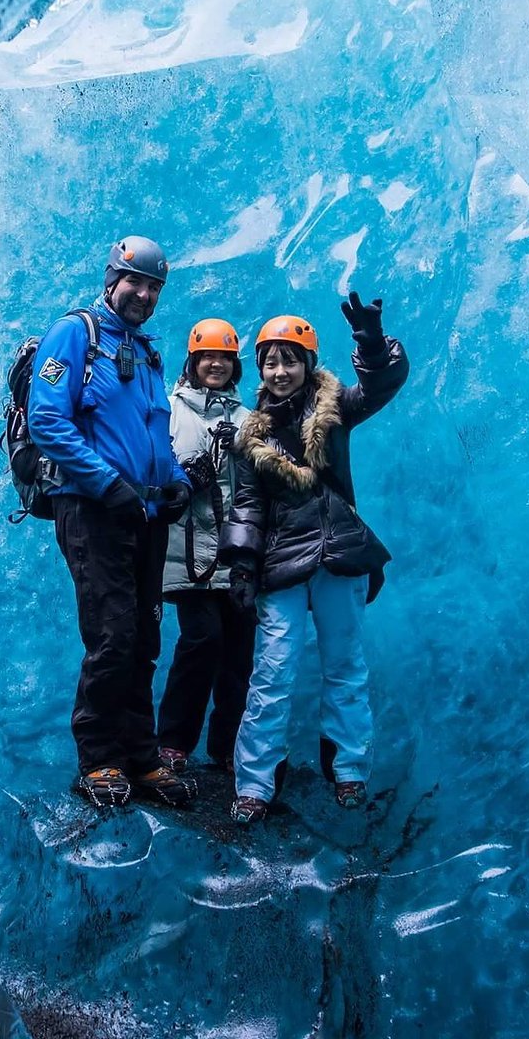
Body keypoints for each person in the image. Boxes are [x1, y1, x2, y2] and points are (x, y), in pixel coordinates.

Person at [219, 293, 408, 824]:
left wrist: (371, 341)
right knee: (273, 673)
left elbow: (381, 384)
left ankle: (349, 773)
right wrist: (241, 566)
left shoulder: (335, 410)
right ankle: (254, 785)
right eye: (271, 361)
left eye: (290, 359)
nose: (280, 370)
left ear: (308, 363)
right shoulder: (251, 437)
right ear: (260, 369)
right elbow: (249, 506)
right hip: (282, 562)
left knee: (345, 668)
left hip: (340, 555)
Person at [27, 236, 198, 809]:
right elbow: (47, 419)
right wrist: (106, 484)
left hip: (143, 514)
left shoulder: (148, 353)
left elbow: (155, 435)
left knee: (145, 639)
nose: (144, 294)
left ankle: (141, 757)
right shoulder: (76, 334)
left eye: (154, 287)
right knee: (112, 636)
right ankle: (98, 759)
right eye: (135, 281)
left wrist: (176, 479)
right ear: (112, 279)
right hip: (93, 511)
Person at [155, 320, 256, 774]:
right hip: (189, 555)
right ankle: (173, 740)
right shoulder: (172, 410)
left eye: (225, 357)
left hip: (235, 556)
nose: (216, 364)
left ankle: (225, 745)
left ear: (235, 364)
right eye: (207, 356)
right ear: (192, 361)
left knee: (238, 651)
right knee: (203, 639)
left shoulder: (246, 417)